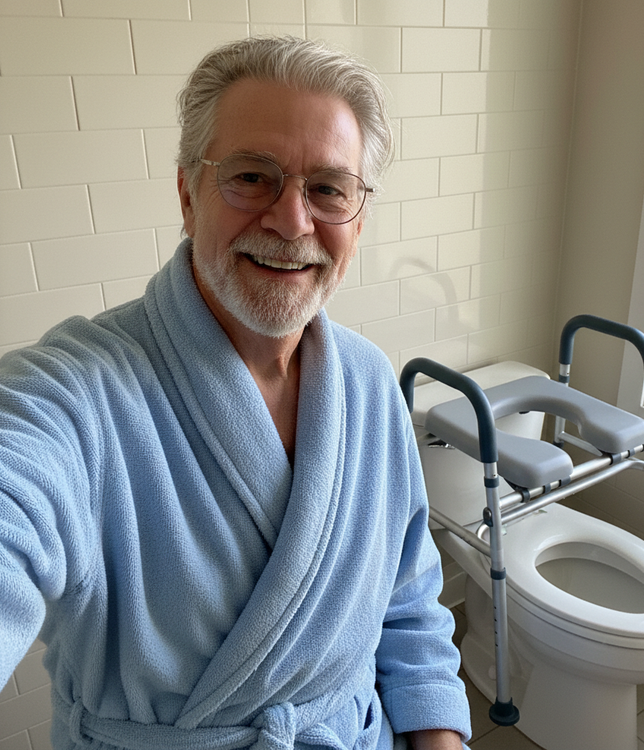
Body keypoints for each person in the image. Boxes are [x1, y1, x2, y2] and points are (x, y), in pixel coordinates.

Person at [0, 36, 471, 750]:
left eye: (329, 189)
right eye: (252, 176)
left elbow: (406, 603)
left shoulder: (371, 383)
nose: (292, 221)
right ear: (188, 195)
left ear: (358, 218)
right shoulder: (78, 394)